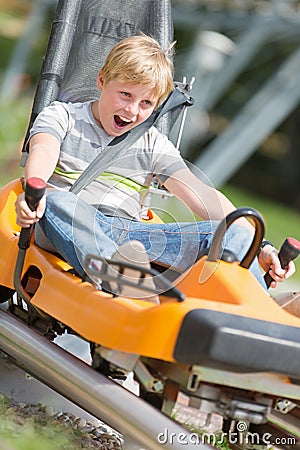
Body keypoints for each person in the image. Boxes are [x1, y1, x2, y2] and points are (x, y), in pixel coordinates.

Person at [15, 33, 295, 298]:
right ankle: (119, 276)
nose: (132, 111)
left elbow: (201, 195)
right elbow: (44, 148)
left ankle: (260, 307)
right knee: (57, 202)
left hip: (130, 238)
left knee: (233, 232)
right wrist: (34, 191)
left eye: (146, 102)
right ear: (102, 80)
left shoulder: (152, 143)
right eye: (125, 94)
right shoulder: (62, 116)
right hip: (64, 224)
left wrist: (261, 245)